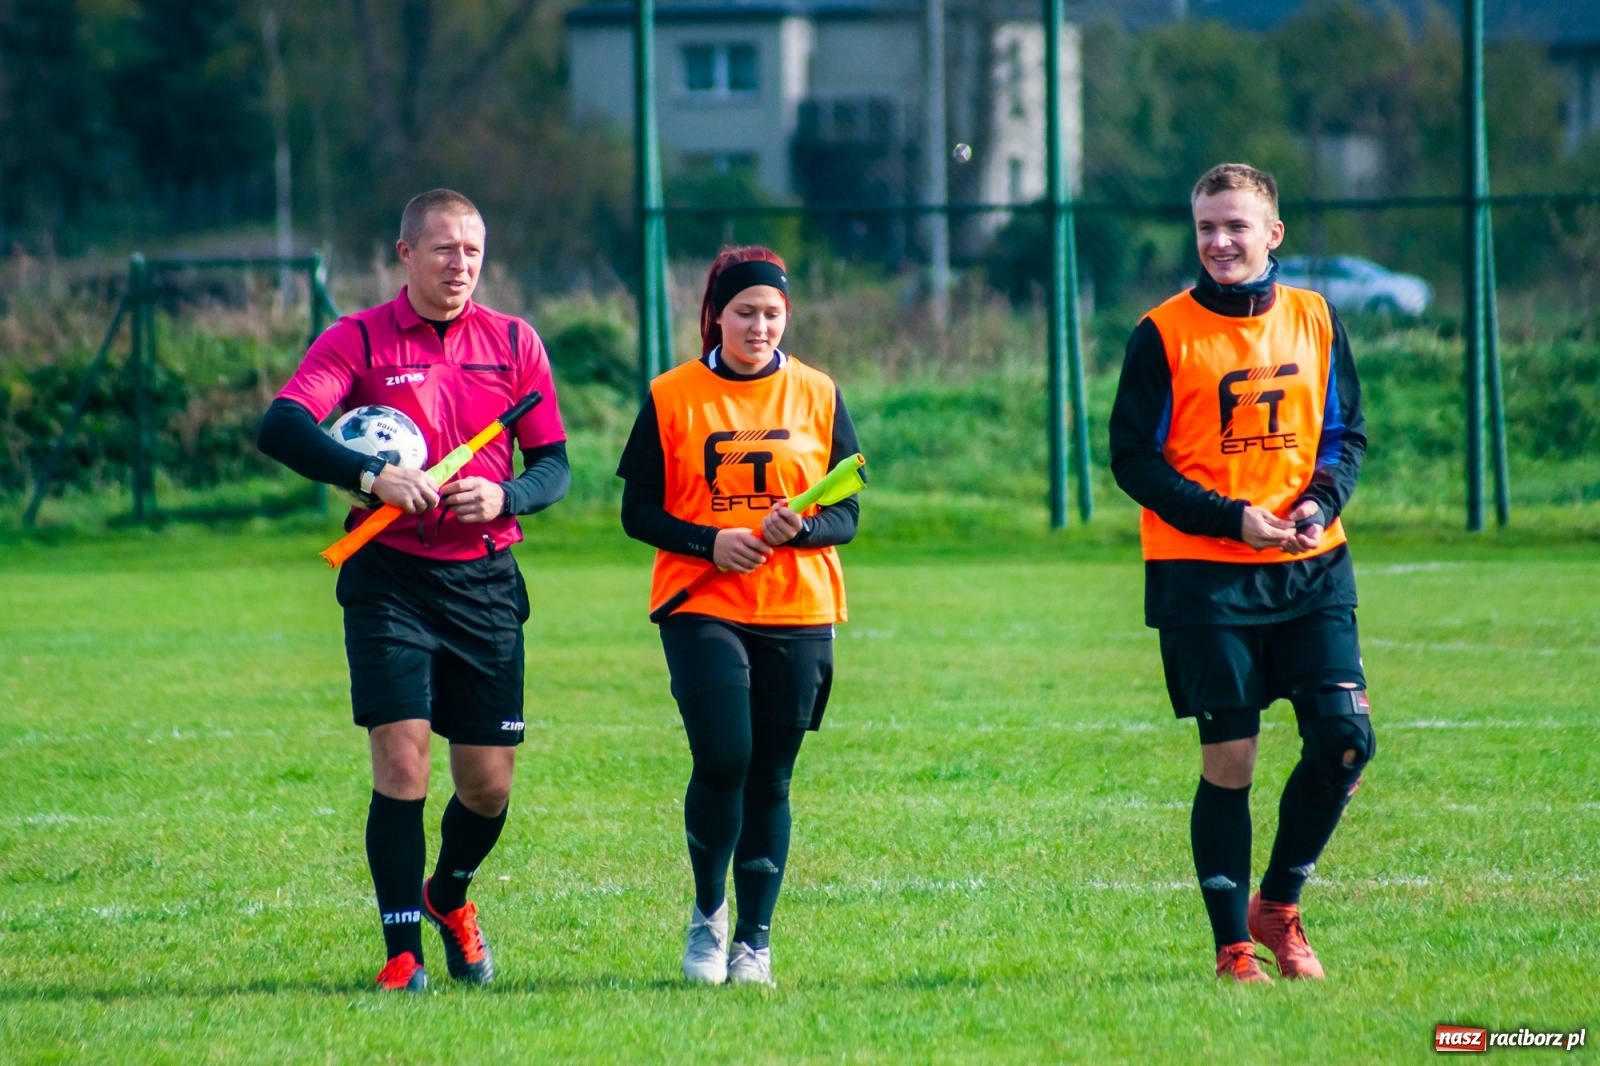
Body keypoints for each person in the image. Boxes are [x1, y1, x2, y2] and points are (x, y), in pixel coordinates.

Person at [257, 189, 570, 992]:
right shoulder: (356, 340)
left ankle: (449, 895)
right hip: (388, 579)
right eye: (443, 249)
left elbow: (554, 465)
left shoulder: (514, 343)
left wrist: (507, 497)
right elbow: (283, 426)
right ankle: (402, 953)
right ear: (405, 254)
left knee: (488, 785)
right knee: (403, 765)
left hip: (487, 583)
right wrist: (370, 474)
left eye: (472, 251)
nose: (460, 264)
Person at [1108, 164, 1374, 984]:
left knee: (1345, 742)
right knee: (1232, 761)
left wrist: (1318, 505)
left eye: (1235, 227)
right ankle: (1233, 949)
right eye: (1206, 229)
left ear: (1273, 234)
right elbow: (1133, 462)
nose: (1219, 242)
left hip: (1310, 568)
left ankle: (1280, 907)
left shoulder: (1317, 319)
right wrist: (1232, 519)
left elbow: (1345, 436)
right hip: (1203, 579)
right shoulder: (1162, 333)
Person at [615, 246, 863, 987]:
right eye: (745, 311)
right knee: (725, 755)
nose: (759, 325)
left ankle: (754, 941)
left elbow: (846, 508)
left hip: (797, 605)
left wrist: (805, 530)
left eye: (772, 313)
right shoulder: (671, 396)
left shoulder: (818, 392)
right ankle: (707, 916)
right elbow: (636, 512)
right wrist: (709, 542)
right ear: (715, 315)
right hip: (701, 603)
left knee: (773, 779)